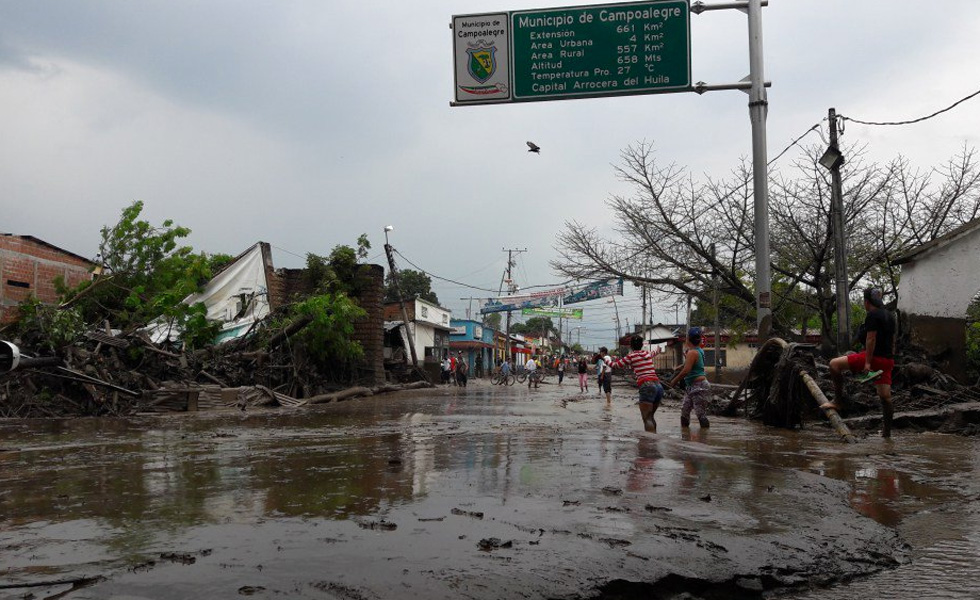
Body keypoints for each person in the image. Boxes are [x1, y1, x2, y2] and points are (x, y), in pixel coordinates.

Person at [825, 288, 896, 437]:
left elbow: (871, 339)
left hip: (872, 358)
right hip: (887, 361)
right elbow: (893, 340)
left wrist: (868, 364)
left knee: (834, 364)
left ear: (866, 302)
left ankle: (838, 401)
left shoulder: (872, 315)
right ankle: (887, 433)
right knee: (885, 397)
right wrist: (890, 358)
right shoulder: (890, 316)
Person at [610, 336, 664, 432]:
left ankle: (650, 443)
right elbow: (655, 352)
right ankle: (654, 440)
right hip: (658, 386)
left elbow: (615, 365)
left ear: (631, 346)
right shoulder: (647, 354)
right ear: (642, 345)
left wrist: (603, 359)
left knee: (647, 419)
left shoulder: (631, 356)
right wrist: (658, 350)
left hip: (647, 386)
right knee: (651, 417)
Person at [669, 328, 710, 429]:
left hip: (698, 386)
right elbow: (688, 364)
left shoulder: (692, 353)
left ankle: (704, 440)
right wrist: (678, 367)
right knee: (685, 411)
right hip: (692, 386)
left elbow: (686, 371)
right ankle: (685, 436)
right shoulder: (697, 350)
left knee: (701, 414)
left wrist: (674, 380)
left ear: (687, 339)